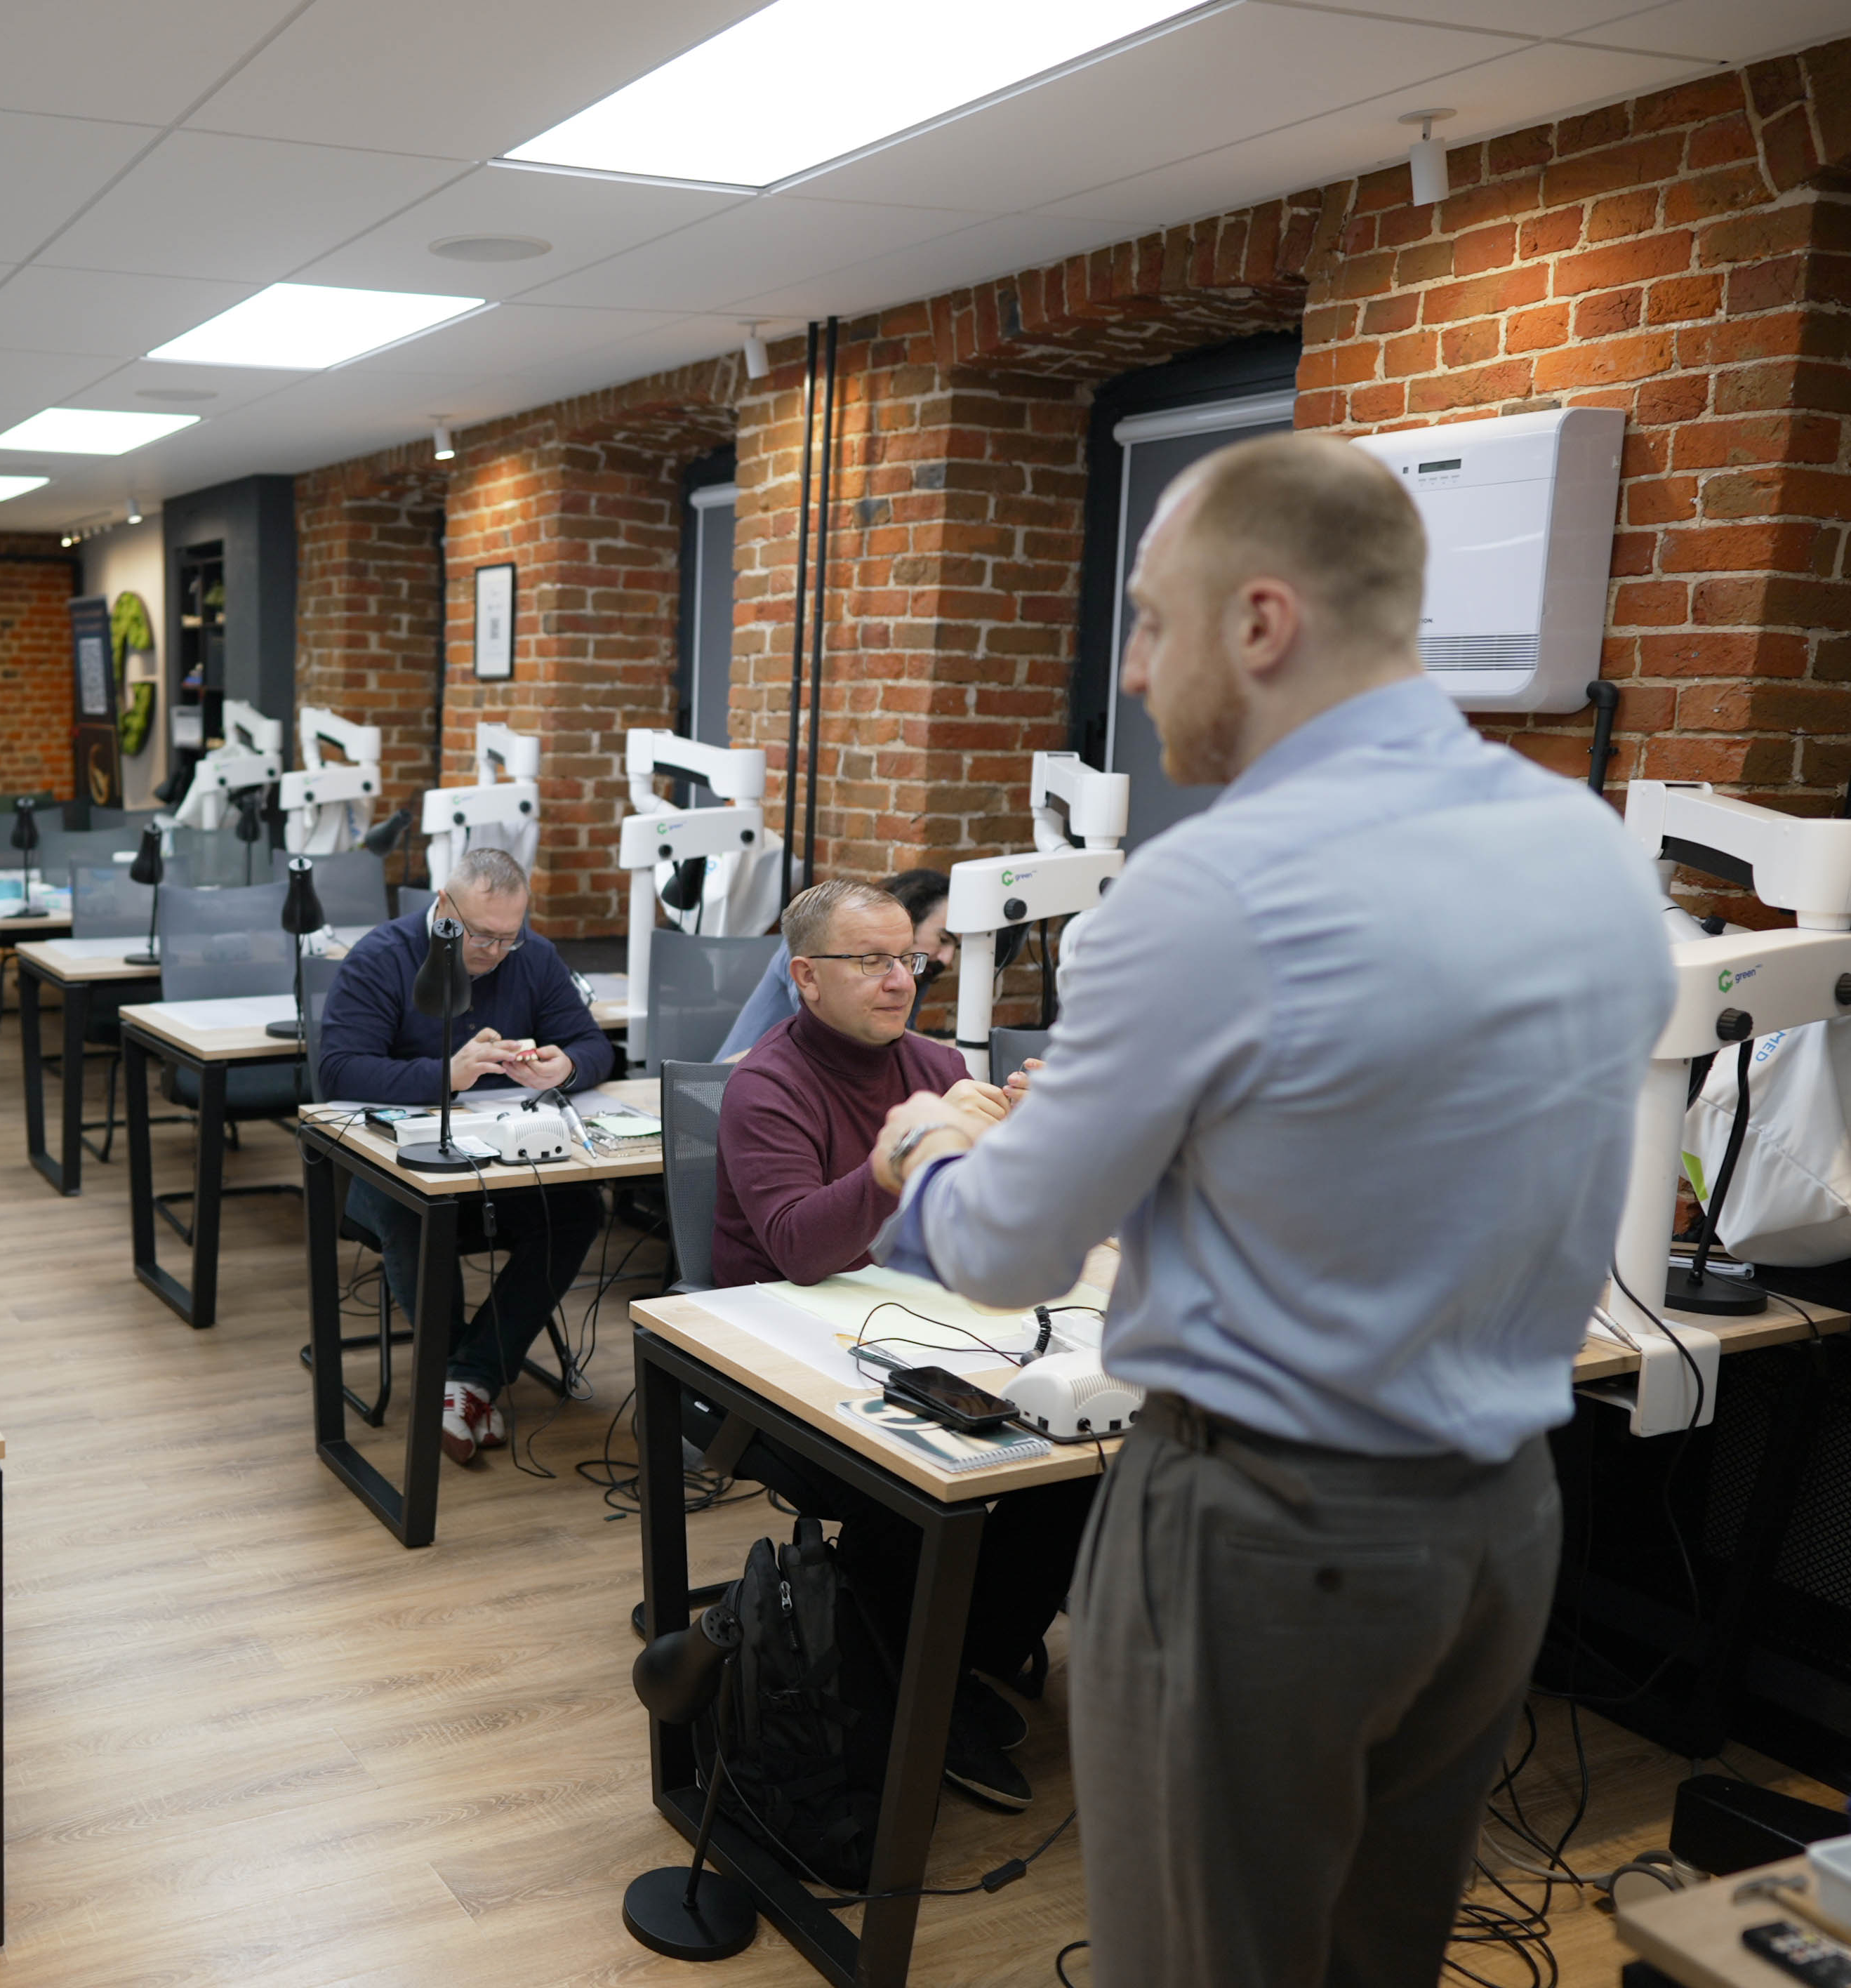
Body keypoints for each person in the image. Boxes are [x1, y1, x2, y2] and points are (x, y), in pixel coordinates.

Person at [867, 433, 1671, 1988]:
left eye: (1149, 620)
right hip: (1501, 1524)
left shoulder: (1213, 890)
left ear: (1259, 621)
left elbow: (1009, 1249)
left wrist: (925, 1145)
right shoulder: (1589, 850)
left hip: (1264, 1538)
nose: (1130, 669)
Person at [704, 875, 1080, 1811]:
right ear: (805, 976)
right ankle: (915, 1694)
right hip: (771, 1362)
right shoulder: (766, 1082)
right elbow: (797, 1249)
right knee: (917, 1488)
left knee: (1069, 1461)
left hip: (921, 1330)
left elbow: (991, 1221)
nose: (900, 978)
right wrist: (890, 1164)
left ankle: (949, 1665)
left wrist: (1035, 1139)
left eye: (906, 958)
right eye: (869, 960)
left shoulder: (936, 1064)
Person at [319, 847, 616, 1463]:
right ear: (444, 906)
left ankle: (463, 1379)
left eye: (509, 936)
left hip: (502, 1159)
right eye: (482, 935)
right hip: (390, 1165)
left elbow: (594, 1045)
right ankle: (466, 1377)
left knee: (578, 1210)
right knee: (418, 1211)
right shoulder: (382, 957)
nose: (496, 952)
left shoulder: (533, 957)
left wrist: (566, 1065)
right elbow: (339, 1071)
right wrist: (445, 1076)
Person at [715, 866, 954, 1060]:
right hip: (731, 1084)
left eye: (957, 947)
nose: (948, 958)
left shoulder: (911, 968)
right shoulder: (814, 946)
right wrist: (948, 1047)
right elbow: (832, 1035)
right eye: (943, 939)